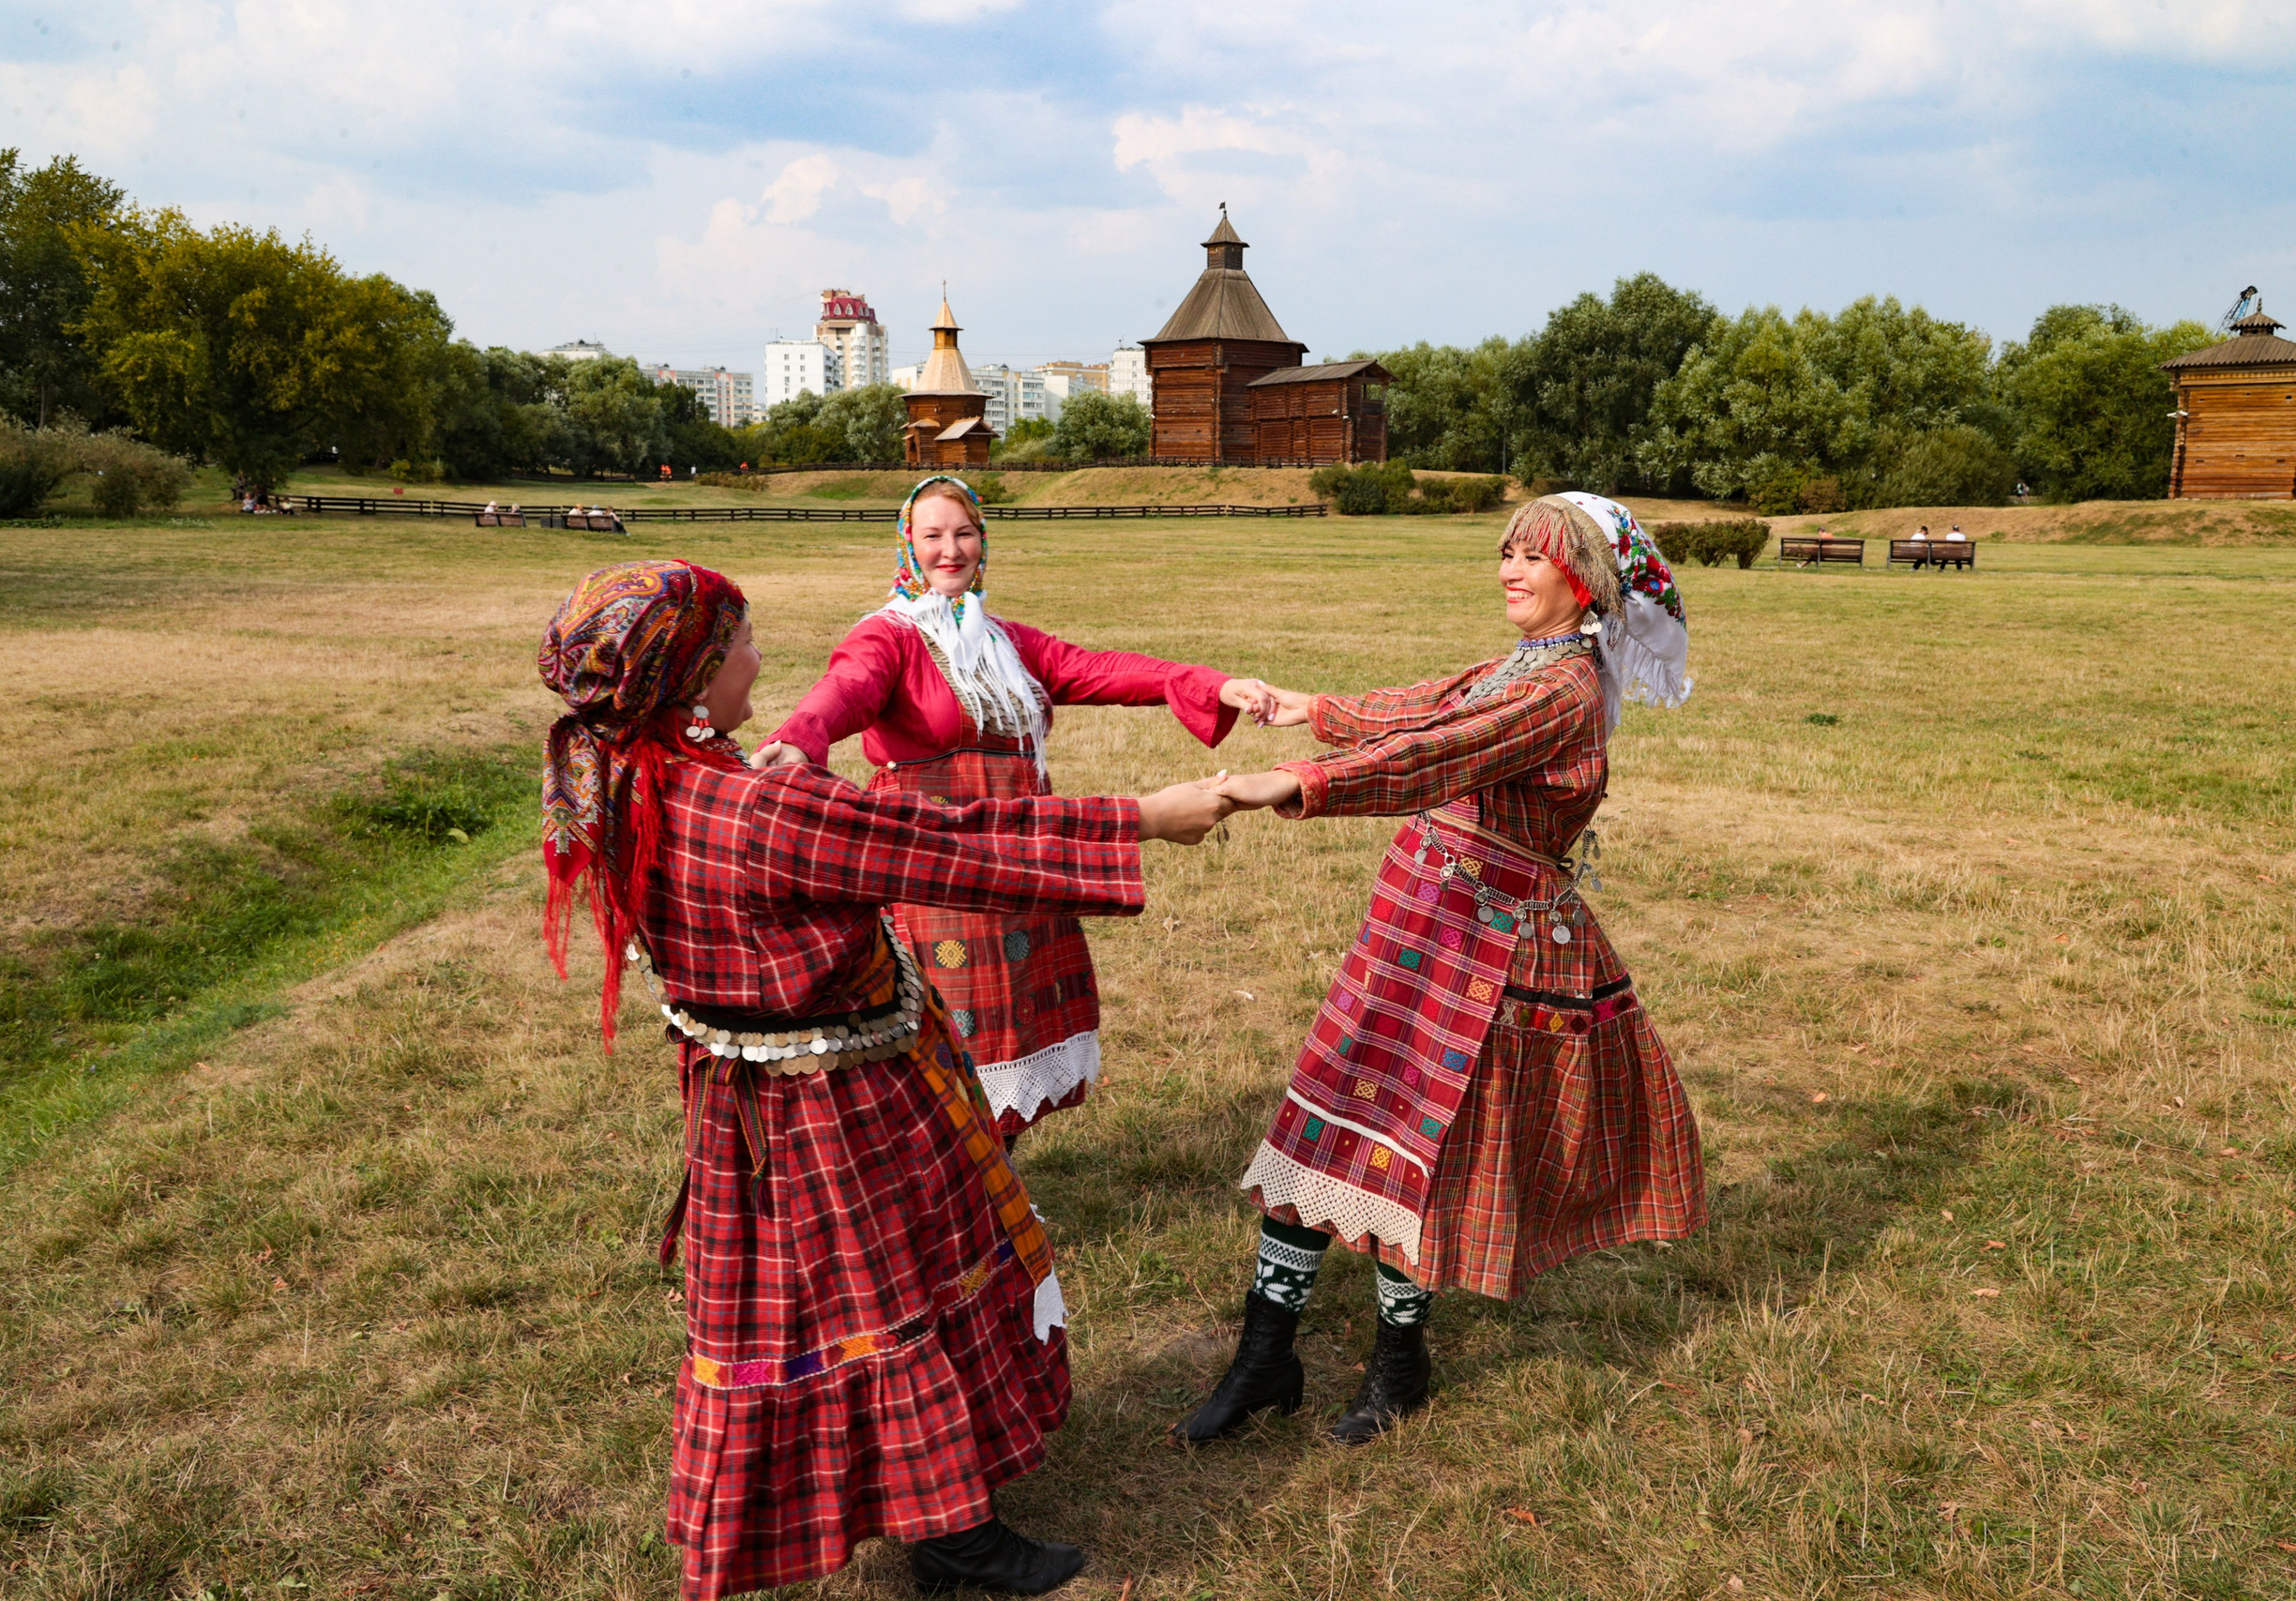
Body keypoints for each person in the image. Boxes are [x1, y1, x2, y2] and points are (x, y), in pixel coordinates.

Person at [538, 559, 1233, 1598]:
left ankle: (929, 1518)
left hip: (746, 1114)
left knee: (806, 1313)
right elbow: (944, 843)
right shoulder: (748, 807)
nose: (760, 661)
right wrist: (1144, 816)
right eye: (739, 648)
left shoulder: (632, 780)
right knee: (895, 1299)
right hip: (841, 1103)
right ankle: (953, 1539)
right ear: (689, 679)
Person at [1171, 493, 1709, 1447]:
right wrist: (1316, 709)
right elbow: (1429, 705)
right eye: (1504, 551)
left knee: (1413, 1147)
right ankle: (1265, 1353)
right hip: (1422, 920)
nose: (1508, 568)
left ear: (1579, 578)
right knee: (1328, 1113)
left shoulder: (1560, 689)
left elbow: (1443, 750)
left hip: (1481, 949)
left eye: (1532, 557)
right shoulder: (1526, 663)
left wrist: (1294, 782)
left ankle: (1398, 1362)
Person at [750, 476, 1273, 1140]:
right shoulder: (889, 636)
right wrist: (798, 739)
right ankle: (951, 1205)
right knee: (942, 1039)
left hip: (1021, 860)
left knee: (1012, 1030)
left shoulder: (1005, 642)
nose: (950, 549)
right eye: (932, 535)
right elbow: (844, 690)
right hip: (937, 864)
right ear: (906, 543)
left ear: (983, 541)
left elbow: (1100, 667)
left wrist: (1215, 685)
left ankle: (999, 1196)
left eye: (963, 533)